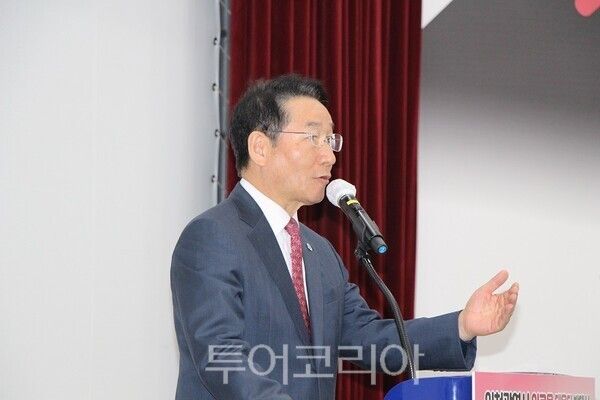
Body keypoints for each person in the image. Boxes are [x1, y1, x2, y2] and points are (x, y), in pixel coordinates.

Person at [170, 74, 519, 400]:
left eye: (330, 140)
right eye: (313, 138)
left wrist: (461, 326)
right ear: (260, 147)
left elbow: (370, 339)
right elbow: (222, 357)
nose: (329, 155)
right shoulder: (212, 236)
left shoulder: (320, 253)